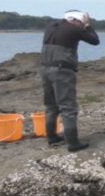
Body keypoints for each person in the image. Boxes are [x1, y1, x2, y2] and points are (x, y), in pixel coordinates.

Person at [40, 10, 100, 152]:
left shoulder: (51, 26)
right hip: (62, 71)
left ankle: (52, 137)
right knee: (68, 107)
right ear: (75, 20)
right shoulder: (74, 29)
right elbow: (95, 41)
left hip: (45, 69)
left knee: (51, 106)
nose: (80, 25)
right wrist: (87, 26)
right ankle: (73, 143)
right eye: (80, 22)